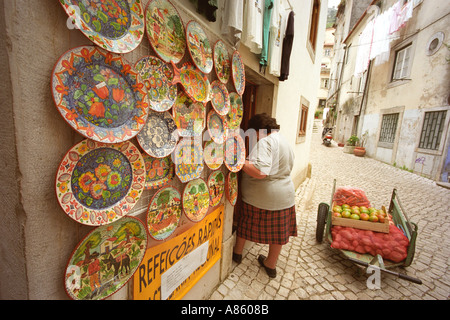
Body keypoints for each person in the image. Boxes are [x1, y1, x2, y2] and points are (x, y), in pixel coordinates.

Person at [232, 113, 297, 278]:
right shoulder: (283, 140)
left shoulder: (266, 142)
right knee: (278, 234)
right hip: (284, 196)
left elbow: (260, 171)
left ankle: (237, 253)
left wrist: (240, 162)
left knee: (246, 224)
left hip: (262, 198)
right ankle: (271, 264)